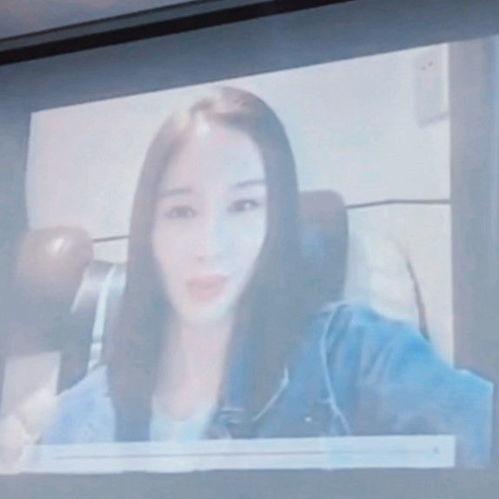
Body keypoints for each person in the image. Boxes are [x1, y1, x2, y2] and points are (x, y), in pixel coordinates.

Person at [29, 87, 494, 464]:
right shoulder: (79, 415)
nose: (210, 245)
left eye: (244, 205)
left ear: (276, 221)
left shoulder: (355, 353)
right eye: (182, 211)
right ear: (149, 229)